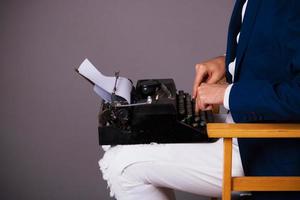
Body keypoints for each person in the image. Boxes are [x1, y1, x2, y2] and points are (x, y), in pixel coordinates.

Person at [99, 0, 300, 199]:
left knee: (121, 165)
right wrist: (227, 62)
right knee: (124, 143)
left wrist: (226, 94)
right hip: (246, 128)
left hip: (268, 150)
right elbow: (275, 51)